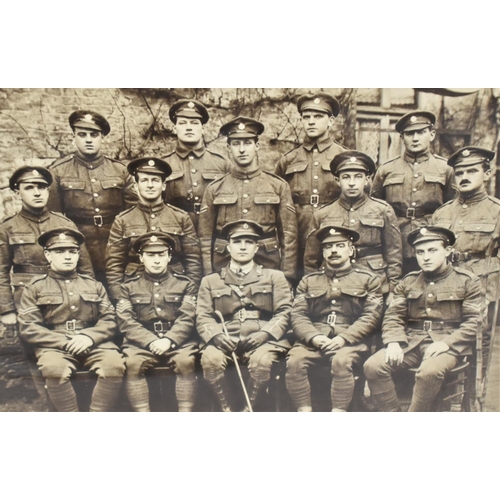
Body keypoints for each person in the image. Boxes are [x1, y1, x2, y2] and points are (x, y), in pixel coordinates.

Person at [364, 226, 482, 412]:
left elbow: (475, 321)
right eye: (420, 252)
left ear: (447, 251)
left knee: (429, 372)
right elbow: (393, 315)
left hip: (448, 343)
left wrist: (447, 344)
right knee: (373, 366)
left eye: (432, 250)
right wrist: (394, 341)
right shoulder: (408, 281)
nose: (425, 257)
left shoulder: (467, 281)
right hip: (411, 341)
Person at [17, 228, 125, 412]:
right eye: (60, 252)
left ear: (77, 255)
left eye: (72, 252)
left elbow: (110, 319)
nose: (67, 256)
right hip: (54, 345)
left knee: (114, 366)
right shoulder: (34, 287)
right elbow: (29, 327)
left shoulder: (94, 285)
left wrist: (89, 337)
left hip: (94, 343)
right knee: (54, 369)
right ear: (47, 255)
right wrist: (65, 342)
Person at [196, 220, 292, 411]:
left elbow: (285, 311)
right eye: (237, 241)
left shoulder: (274, 277)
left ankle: (249, 410)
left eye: (249, 242)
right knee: (211, 360)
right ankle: (227, 409)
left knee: (261, 362)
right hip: (225, 336)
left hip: (263, 338)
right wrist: (216, 336)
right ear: (228, 246)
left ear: (256, 248)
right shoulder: (210, 280)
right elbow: (203, 315)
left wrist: (265, 334)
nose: (242, 247)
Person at [286, 226, 383, 412]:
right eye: (328, 247)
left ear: (351, 250)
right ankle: (304, 411)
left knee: (341, 361)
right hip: (314, 340)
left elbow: (371, 316)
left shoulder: (369, 280)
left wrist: (343, 338)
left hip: (350, 342)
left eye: (340, 245)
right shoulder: (308, 281)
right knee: (294, 361)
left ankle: (339, 412)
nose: (334, 251)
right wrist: (313, 337)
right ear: (322, 252)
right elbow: (298, 314)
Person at [198, 116, 298, 284]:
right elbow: (205, 237)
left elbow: (288, 235)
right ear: (229, 148)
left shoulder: (277, 186)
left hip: (267, 263)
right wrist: (209, 276)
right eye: (236, 144)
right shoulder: (214, 189)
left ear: (257, 146)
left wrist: (286, 277)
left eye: (247, 143)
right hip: (224, 265)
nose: (242, 149)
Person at [47, 110, 138, 283]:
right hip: (79, 245)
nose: (88, 139)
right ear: (73, 137)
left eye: (94, 134)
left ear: (102, 137)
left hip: (116, 244)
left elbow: (133, 215)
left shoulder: (120, 171)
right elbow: (54, 218)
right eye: (82, 134)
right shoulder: (58, 172)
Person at [0, 167, 94, 333]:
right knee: (30, 354)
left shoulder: (65, 224)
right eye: (29, 188)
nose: (37, 193)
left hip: (64, 300)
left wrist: (90, 301)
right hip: (27, 303)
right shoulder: (7, 227)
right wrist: (7, 310)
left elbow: (85, 268)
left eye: (41, 187)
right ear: (17, 193)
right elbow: (1, 271)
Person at [117, 232, 199, 412]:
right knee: (132, 364)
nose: (156, 260)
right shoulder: (128, 287)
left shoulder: (185, 284)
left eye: (161, 255)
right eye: (150, 255)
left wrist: (169, 340)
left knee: (186, 361)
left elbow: (188, 317)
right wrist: (151, 341)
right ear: (141, 258)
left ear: (169, 257)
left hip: (178, 341)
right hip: (140, 342)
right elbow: (126, 321)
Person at [303, 150, 402, 300]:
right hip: (333, 281)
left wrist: (393, 289)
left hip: (374, 281)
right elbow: (311, 259)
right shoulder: (323, 214)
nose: (351, 183)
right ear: (337, 180)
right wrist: (313, 288)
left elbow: (394, 253)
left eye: (358, 177)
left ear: (367, 179)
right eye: (346, 177)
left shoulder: (383, 210)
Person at [105, 157, 201, 303]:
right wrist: (121, 299)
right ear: (135, 186)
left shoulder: (181, 217)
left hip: (175, 290)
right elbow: (114, 265)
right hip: (134, 292)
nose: (150, 185)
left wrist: (189, 295)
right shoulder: (123, 220)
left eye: (155, 180)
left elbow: (193, 260)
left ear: (163, 185)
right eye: (144, 180)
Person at [371, 110, 456, 274]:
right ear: (402, 138)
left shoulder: (445, 169)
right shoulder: (386, 170)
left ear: (431, 135)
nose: (415, 138)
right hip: (395, 242)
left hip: (431, 241)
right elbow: (375, 208)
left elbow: (452, 207)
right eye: (410, 134)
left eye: (421, 132)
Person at [274, 92, 347, 274]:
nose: (311, 122)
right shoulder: (288, 160)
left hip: (333, 232)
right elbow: (278, 202)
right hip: (297, 235)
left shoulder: (344, 158)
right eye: (306, 117)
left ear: (330, 121)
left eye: (318, 116)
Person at [161, 98, 232, 232]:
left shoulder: (222, 163)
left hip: (214, 231)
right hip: (176, 230)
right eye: (182, 123)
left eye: (194, 123)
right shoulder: (164, 164)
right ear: (174, 128)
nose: (188, 127)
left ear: (203, 128)